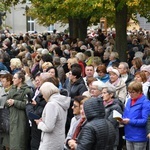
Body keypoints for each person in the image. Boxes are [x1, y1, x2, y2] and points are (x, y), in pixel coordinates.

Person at [35, 82, 71, 150]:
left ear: (46, 92)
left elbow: (49, 127)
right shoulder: (61, 102)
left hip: (50, 143)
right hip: (59, 140)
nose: (42, 96)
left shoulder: (51, 105)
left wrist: (39, 123)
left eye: (43, 94)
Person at [5, 71, 33, 150]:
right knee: (13, 143)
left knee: (20, 142)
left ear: (20, 79)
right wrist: (9, 102)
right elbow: (6, 102)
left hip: (21, 119)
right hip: (12, 117)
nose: (12, 80)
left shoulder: (27, 90)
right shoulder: (12, 89)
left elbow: (27, 104)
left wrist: (14, 102)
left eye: (14, 78)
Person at [121, 81, 150, 150]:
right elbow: (126, 115)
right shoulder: (129, 101)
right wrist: (121, 120)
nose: (130, 94)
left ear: (139, 91)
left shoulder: (145, 102)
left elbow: (145, 121)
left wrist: (130, 121)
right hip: (128, 134)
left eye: (133, 92)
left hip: (139, 137)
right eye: (129, 92)